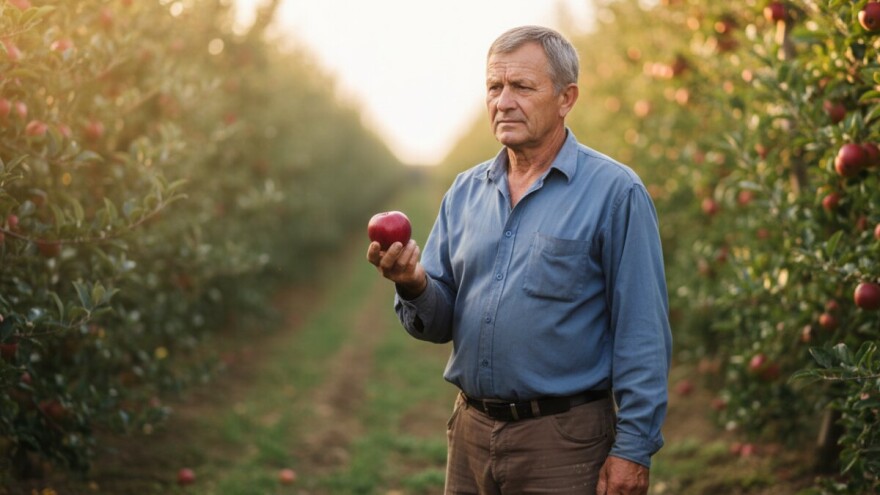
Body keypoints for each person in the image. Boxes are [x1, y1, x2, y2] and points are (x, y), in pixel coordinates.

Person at [366, 25, 672, 495]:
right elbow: (441, 320)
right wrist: (413, 283)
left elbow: (642, 330)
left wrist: (633, 448)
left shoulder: (616, 193)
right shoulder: (464, 193)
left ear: (566, 97)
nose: (503, 101)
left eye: (522, 87)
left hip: (564, 442)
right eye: (494, 86)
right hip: (470, 433)